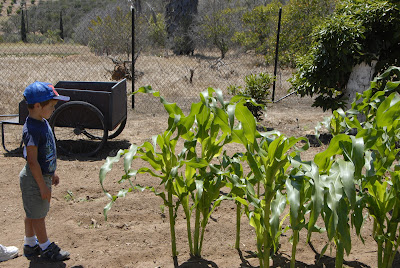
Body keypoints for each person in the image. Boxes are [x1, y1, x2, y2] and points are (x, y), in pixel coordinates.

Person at [20, 81, 71, 262]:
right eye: (50, 106)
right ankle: (45, 247)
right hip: (35, 179)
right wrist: (42, 185)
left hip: (40, 176)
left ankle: (30, 244)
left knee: (32, 213)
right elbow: (33, 161)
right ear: (37, 106)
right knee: (38, 216)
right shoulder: (32, 130)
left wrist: (52, 172)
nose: (53, 109)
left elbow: (45, 154)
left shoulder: (41, 122)